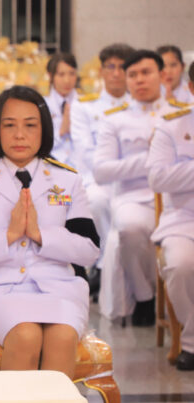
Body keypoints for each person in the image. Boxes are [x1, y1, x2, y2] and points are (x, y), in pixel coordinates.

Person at [0, 85, 100, 378]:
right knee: (26, 335)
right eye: (9, 125)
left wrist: (40, 234)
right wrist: (10, 235)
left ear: (44, 130)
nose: (20, 135)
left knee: (63, 337)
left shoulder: (67, 180)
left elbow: (89, 249)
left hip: (60, 289)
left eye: (30, 125)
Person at [94, 50, 181, 325]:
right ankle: (145, 297)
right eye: (133, 75)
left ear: (162, 75)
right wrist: (150, 161)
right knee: (130, 228)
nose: (139, 80)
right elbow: (101, 171)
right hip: (134, 197)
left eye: (146, 72)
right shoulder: (115, 119)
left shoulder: (180, 115)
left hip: (176, 197)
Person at [70, 43, 134, 295]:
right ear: (101, 71)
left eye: (122, 67)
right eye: (111, 67)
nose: (116, 73)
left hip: (132, 181)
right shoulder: (85, 106)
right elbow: (85, 150)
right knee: (96, 202)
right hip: (97, 178)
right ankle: (103, 267)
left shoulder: (139, 105)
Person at [147, 61, 194, 370]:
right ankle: (190, 342)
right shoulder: (173, 126)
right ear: (191, 88)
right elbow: (158, 178)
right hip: (184, 219)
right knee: (180, 264)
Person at [44, 53, 78, 166]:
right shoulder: (42, 106)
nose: (67, 80)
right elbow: (38, 145)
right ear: (50, 76)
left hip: (83, 170)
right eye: (61, 74)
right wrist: (61, 132)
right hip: (51, 167)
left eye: (72, 74)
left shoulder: (86, 105)